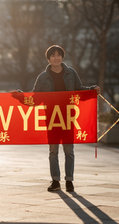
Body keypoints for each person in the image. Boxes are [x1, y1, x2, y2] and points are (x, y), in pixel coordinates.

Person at [32, 45, 100, 192]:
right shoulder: (42, 77)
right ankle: (55, 180)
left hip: (68, 116)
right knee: (53, 151)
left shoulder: (71, 73)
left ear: (62, 57)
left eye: (58, 55)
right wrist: (19, 96)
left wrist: (91, 90)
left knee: (69, 150)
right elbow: (35, 98)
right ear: (48, 59)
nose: (56, 58)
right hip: (51, 117)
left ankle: (69, 181)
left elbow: (79, 90)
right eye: (53, 55)